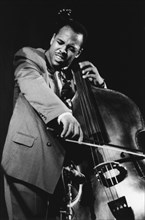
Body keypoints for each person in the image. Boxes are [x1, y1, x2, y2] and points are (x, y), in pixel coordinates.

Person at [1, 9, 106, 220]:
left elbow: (100, 117)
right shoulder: (30, 57)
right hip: (28, 168)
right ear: (52, 39)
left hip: (60, 179)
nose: (62, 50)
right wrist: (64, 114)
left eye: (71, 48)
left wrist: (100, 86)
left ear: (78, 53)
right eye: (60, 42)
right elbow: (32, 83)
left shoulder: (71, 80)